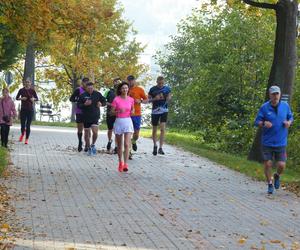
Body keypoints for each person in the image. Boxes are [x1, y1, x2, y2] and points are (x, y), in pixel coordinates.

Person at [255, 86, 293, 194]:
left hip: (281, 142)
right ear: (269, 95)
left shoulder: (285, 106)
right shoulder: (264, 107)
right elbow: (257, 121)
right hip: (267, 141)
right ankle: (270, 184)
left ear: (280, 95)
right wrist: (263, 123)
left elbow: (290, 117)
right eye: (273, 94)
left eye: (277, 94)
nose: (275, 96)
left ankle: (276, 176)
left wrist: (289, 123)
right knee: (268, 164)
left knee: (281, 165)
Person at [111, 81, 134, 172]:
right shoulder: (116, 99)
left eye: (126, 88)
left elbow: (133, 110)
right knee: (120, 145)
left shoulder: (131, 99)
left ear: (128, 89)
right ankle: (120, 162)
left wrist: (132, 112)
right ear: (120, 90)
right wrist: (118, 112)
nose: (125, 89)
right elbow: (111, 112)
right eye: (123, 88)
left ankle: (126, 164)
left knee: (127, 144)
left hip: (128, 121)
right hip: (119, 121)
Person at [78, 82, 106, 156]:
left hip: (95, 116)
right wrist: (84, 104)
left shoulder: (97, 94)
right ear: (86, 88)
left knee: (95, 132)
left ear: (93, 88)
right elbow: (78, 105)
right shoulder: (82, 95)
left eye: (92, 88)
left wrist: (101, 104)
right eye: (89, 88)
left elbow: (104, 101)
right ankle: (88, 146)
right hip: (86, 117)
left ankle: (93, 144)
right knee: (86, 134)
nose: (90, 89)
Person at [148, 76, 171, 156]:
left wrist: (168, 98)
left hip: (164, 110)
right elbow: (148, 100)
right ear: (156, 82)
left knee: (162, 129)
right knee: (154, 129)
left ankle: (160, 148)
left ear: (164, 82)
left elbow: (169, 97)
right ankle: (155, 145)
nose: (161, 84)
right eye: (159, 83)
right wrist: (155, 98)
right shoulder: (152, 89)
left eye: (162, 83)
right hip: (155, 111)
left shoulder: (167, 88)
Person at [127, 75, 148, 158]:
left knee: (136, 134)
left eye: (132, 80)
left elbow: (147, 100)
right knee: (128, 133)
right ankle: (129, 152)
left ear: (134, 81)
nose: (130, 82)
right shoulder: (125, 89)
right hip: (127, 114)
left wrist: (141, 101)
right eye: (129, 80)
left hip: (137, 114)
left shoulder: (139, 89)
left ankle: (133, 141)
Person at [16, 79, 38, 144]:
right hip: (23, 109)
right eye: (26, 82)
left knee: (28, 125)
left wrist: (33, 99)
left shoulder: (32, 90)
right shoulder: (21, 90)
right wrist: (21, 98)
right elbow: (17, 98)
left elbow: (37, 98)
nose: (27, 83)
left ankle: (26, 139)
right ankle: (22, 134)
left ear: (30, 83)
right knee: (22, 125)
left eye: (28, 82)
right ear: (24, 83)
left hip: (30, 110)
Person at [69, 77, 89, 152]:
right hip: (79, 111)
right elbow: (71, 99)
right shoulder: (78, 90)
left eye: (87, 83)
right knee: (80, 129)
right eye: (84, 82)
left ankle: (87, 145)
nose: (86, 84)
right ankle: (80, 142)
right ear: (82, 83)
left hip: (88, 112)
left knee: (87, 129)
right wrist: (78, 99)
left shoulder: (90, 90)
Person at [104, 78, 120, 153]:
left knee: (117, 130)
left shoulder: (121, 91)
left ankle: (116, 146)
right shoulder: (109, 91)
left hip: (118, 114)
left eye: (118, 82)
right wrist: (110, 104)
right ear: (113, 82)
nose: (117, 83)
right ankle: (109, 141)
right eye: (115, 81)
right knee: (110, 129)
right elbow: (103, 100)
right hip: (109, 113)